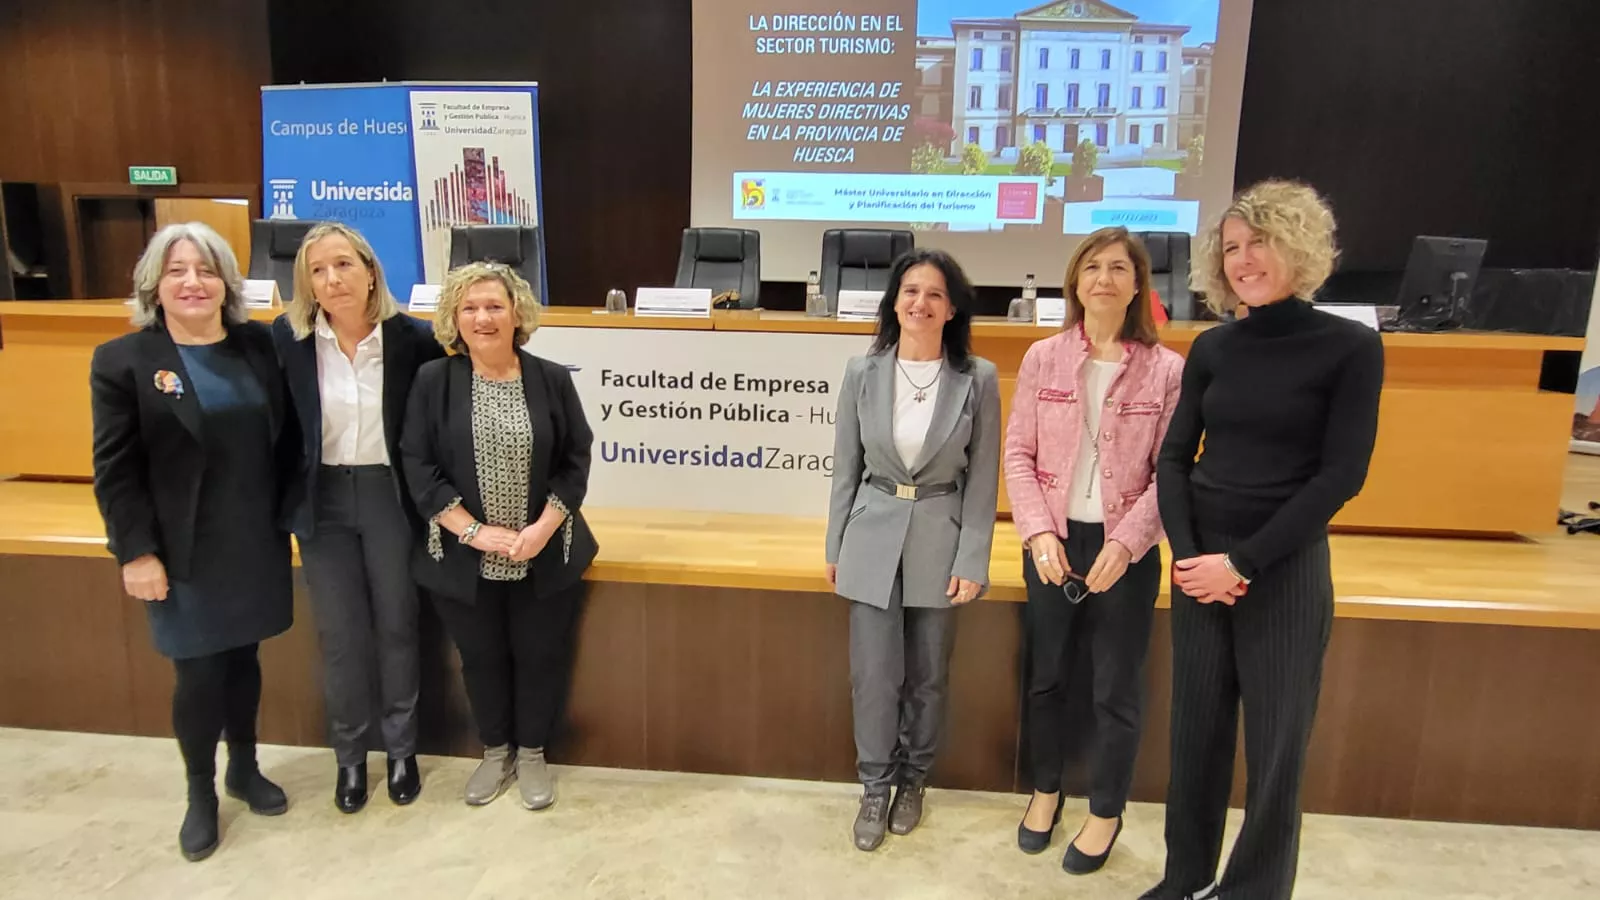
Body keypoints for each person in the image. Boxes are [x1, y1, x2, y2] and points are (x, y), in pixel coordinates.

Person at [1142, 180, 1384, 900]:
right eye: (1233, 247)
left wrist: (1243, 563)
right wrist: (1190, 558)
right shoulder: (1214, 347)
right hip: (1199, 564)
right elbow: (1174, 458)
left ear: (1298, 247)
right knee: (1196, 737)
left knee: (1277, 747)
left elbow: (1341, 476)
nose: (1244, 259)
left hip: (1282, 564)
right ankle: (1185, 876)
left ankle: (1254, 889)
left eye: (1261, 242)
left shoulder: (1352, 348)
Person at [89, 223, 299, 862]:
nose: (192, 282)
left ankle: (244, 766)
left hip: (252, 538)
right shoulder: (123, 360)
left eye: (206, 271)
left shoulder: (260, 346)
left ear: (227, 284)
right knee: (199, 671)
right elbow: (116, 469)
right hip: (181, 550)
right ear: (154, 283)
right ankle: (200, 792)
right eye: (177, 270)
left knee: (243, 660)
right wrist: (136, 552)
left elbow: (289, 436)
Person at [1003, 227, 1184, 873]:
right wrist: (1037, 532)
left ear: (1138, 284)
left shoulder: (1168, 371)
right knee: (1047, 678)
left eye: (1117, 268)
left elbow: (1174, 473)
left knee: (1115, 688)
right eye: (1091, 267)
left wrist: (1131, 542)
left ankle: (1105, 810)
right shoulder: (1043, 358)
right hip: (1052, 541)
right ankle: (1045, 792)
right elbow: (1018, 454)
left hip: (1124, 550)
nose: (1103, 277)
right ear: (1075, 282)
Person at [399, 261, 597, 810]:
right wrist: (473, 532)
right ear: (454, 320)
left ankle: (531, 753)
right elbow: (418, 465)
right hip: (464, 557)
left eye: (494, 306)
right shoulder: (432, 381)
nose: (482, 317)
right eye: (469, 308)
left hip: (542, 552)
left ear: (516, 314)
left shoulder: (551, 378)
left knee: (539, 656)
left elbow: (576, 459)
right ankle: (494, 752)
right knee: (481, 656)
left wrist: (542, 529)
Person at [824, 248, 1002, 852]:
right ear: (893, 301)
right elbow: (845, 468)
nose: (919, 303)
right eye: (909, 291)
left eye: (933, 293)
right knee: (873, 674)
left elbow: (983, 479)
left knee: (928, 674)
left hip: (941, 534)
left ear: (952, 309)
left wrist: (973, 557)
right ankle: (874, 785)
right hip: (871, 532)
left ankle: (913, 780)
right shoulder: (862, 372)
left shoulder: (978, 378)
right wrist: (835, 543)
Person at [271, 223, 444, 814]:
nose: (332, 279)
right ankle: (349, 758)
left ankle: (401, 750)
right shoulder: (287, 341)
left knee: (397, 624)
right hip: (322, 501)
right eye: (317, 271)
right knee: (340, 636)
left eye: (343, 265)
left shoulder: (413, 341)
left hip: (388, 496)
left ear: (371, 271)